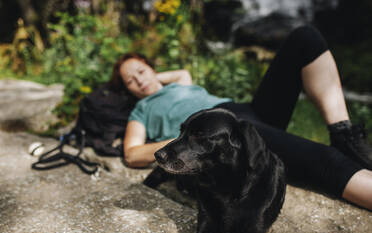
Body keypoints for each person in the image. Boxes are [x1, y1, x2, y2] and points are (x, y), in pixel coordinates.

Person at [109, 26, 372, 210]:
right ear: (127, 90)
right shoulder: (141, 110)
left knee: (305, 37)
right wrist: (184, 140)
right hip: (228, 134)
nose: (139, 80)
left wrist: (154, 78)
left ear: (152, 68)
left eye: (141, 71)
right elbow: (132, 154)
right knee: (324, 161)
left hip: (246, 110)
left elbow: (181, 72)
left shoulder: (180, 84)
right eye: (130, 80)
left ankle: (343, 134)